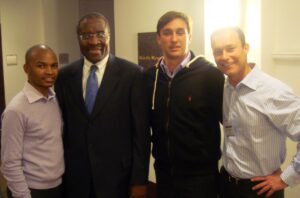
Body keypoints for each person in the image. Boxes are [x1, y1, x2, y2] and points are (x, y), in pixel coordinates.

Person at [54, 12, 150, 198]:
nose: (93, 41)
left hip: (118, 178)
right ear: (78, 39)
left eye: (100, 34)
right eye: (86, 36)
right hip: (76, 178)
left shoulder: (132, 75)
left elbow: (141, 133)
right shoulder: (65, 76)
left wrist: (139, 180)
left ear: (109, 36)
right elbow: (62, 127)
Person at [211, 26, 300, 198]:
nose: (224, 56)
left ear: (246, 48)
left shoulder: (273, 92)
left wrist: (285, 179)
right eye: (218, 51)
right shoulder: (225, 88)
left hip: (260, 190)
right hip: (226, 185)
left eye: (230, 48)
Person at [144, 11, 224, 198]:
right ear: (158, 38)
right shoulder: (150, 78)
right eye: (167, 32)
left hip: (201, 180)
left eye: (180, 32)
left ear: (190, 36)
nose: (174, 39)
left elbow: (233, 125)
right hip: (164, 176)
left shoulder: (210, 75)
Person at [1, 44, 64, 198]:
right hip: (31, 190)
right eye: (41, 66)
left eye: (54, 66)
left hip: (58, 186)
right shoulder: (16, 110)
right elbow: (10, 163)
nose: (49, 71)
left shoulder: (55, 100)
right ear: (26, 68)